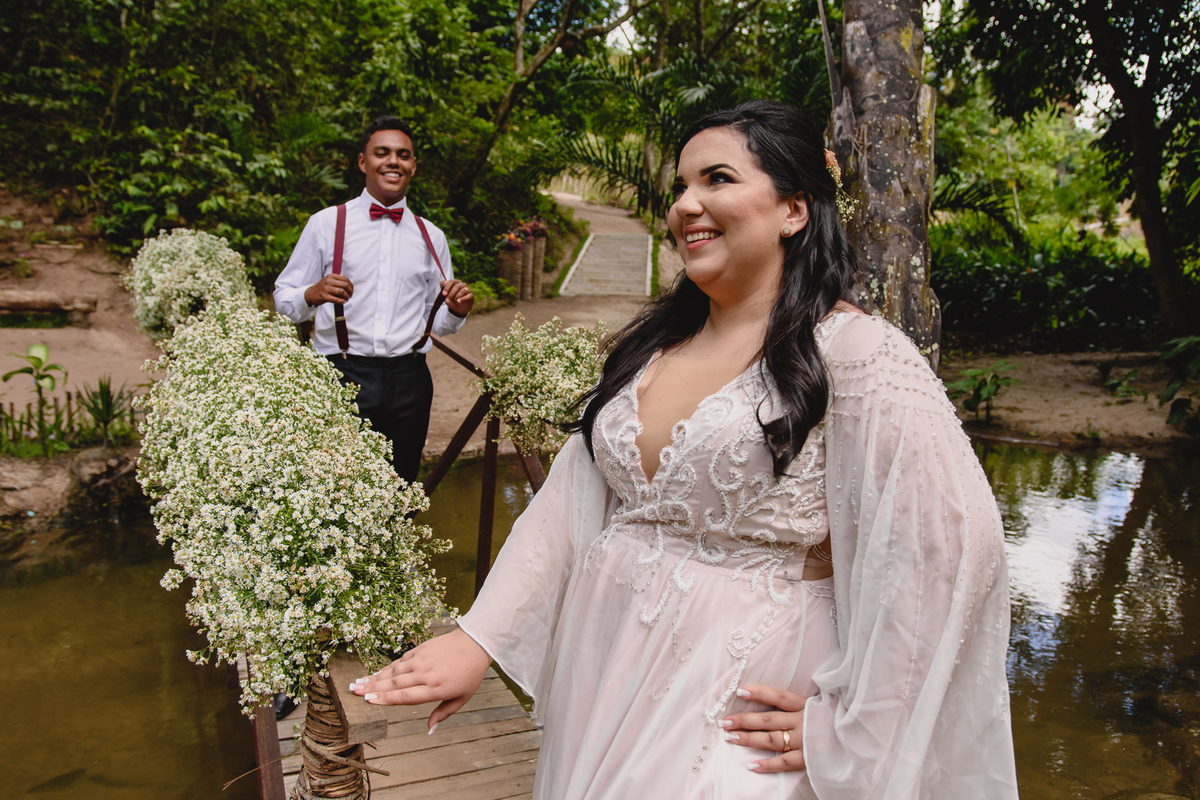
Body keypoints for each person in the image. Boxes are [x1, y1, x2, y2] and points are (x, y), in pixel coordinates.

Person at [351, 101, 1018, 799]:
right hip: (606, 671)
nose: (686, 205)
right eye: (680, 186)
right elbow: (569, 504)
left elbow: (952, 546)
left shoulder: (856, 352)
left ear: (793, 208)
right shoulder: (651, 349)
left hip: (740, 690)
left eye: (717, 179)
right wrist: (477, 639)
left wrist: (855, 726)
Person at [274, 115, 474, 484]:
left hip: (410, 379)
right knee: (334, 487)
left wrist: (457, 311)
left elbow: (438, 324)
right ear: (363, 162)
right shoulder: (326, 224)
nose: (393, 161)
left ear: (413, 165)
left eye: (403, 154)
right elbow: (283, 300)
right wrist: (311, 294)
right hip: (340, 374)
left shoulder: (432, 236)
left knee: (401, 488)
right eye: (382, 153)